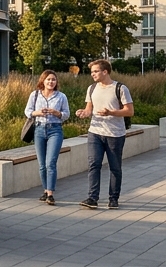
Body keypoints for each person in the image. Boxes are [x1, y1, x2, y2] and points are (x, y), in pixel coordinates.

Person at [75, 58, 133, 210]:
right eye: (92, 72)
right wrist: (84, 113)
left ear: (105, 71)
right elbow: (89, 109)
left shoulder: (120, 88)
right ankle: (92, 198)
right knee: (94, 164)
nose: (92, 74)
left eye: (95, 71)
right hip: (95, 132)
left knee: (115, 167)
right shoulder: (92, 88)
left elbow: (129, 111)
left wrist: (111, 112)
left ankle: (113, 198)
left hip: (115, 134)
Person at [26, 69, 70, 205]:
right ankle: (45, 190)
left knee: (50, 163)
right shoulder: (35, 95)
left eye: (53, 80)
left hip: (55, 130)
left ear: (56, 82)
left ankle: (50, 193)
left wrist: (57, 113)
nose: (51, 82)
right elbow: (27, 111)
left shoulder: (61, 96)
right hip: (39, 129)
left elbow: (66, 114)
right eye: (48, 79)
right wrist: (37, 112)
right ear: (43, 81)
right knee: (42, 165)